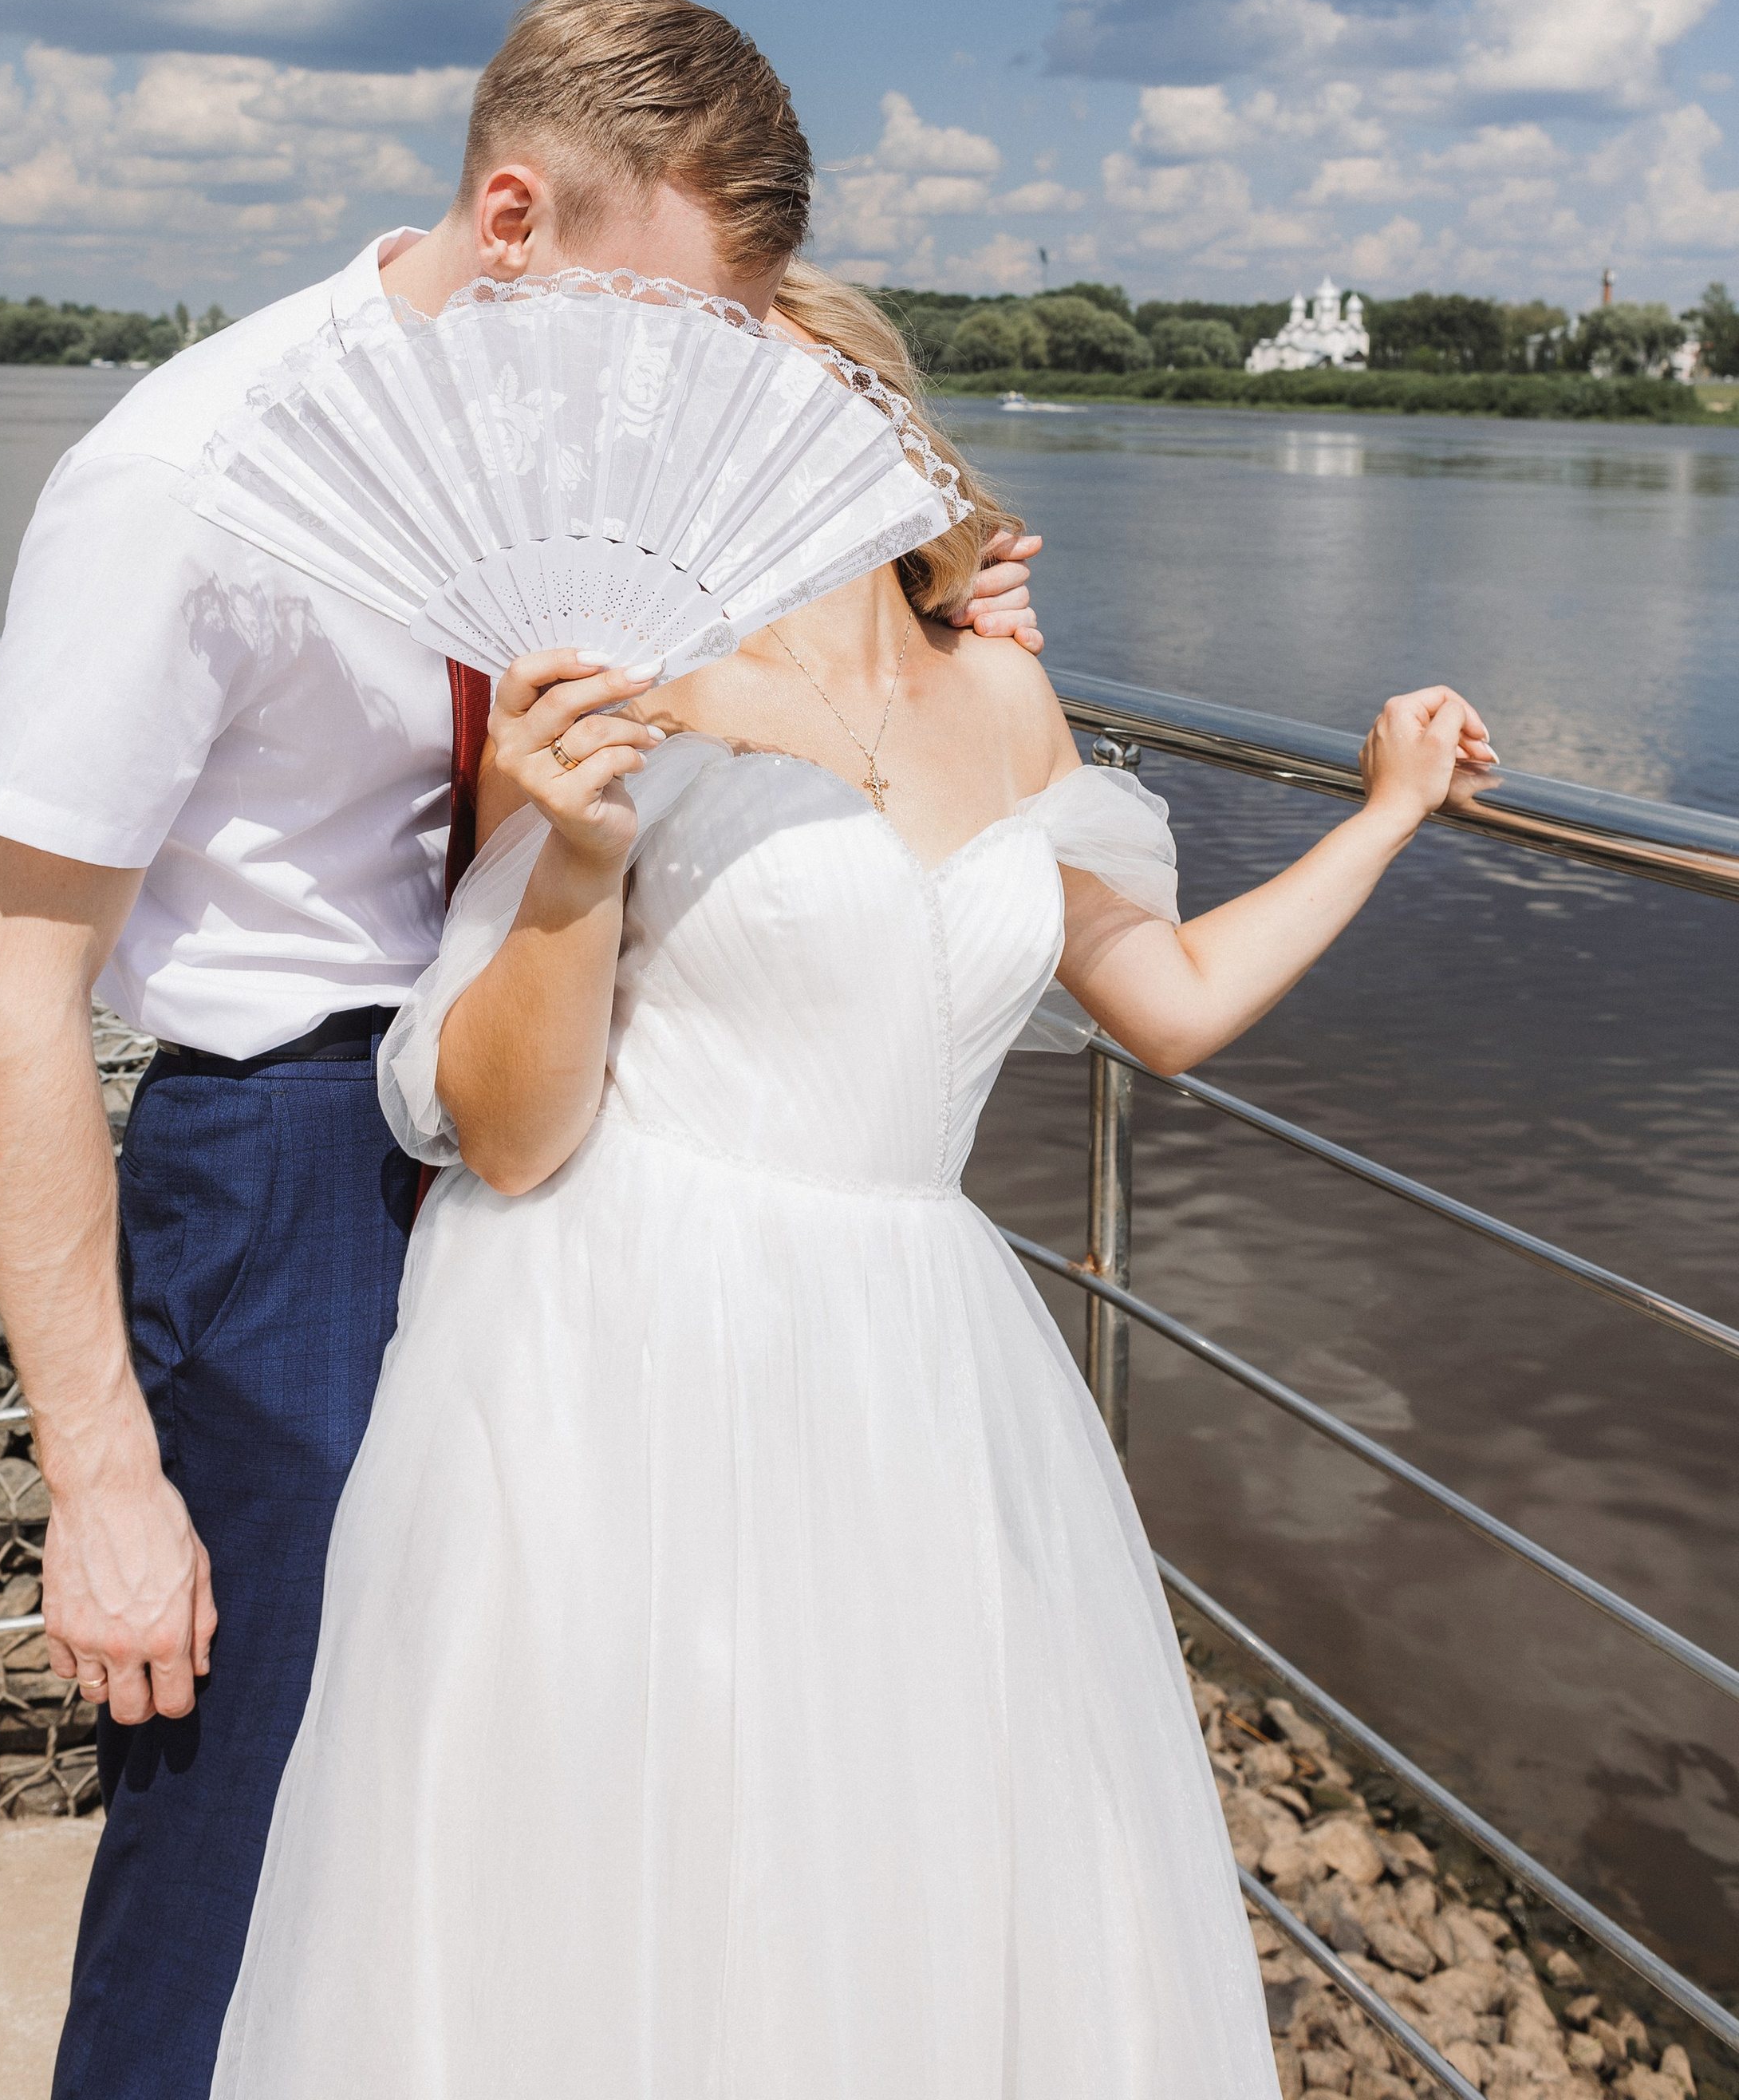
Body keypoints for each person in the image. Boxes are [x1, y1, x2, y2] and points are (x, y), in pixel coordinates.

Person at [210, 262, 1496, 2098]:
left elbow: (1174, 1002)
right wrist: (567, 859)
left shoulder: (1006, 698)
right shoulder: (612, 687)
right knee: (622, 1870)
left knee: (884, 1867)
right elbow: (509, 1133)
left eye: (795, 388)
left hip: (911, 1362)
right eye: (700, 397)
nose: (750, 428)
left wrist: (1379, 811)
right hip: (620, 1338)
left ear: (890, 420)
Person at [0, 0, 1044, 2100]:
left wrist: (940, 607)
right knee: (257, 1823)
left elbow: (790, 652)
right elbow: (10, 990)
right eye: (671, 323)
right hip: (290, 1168)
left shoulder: (595, 440)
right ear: (515, 213)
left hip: (581, 1152)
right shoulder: (189, 476)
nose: (693, 383)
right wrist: (97, 1478)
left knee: (496, 1811)